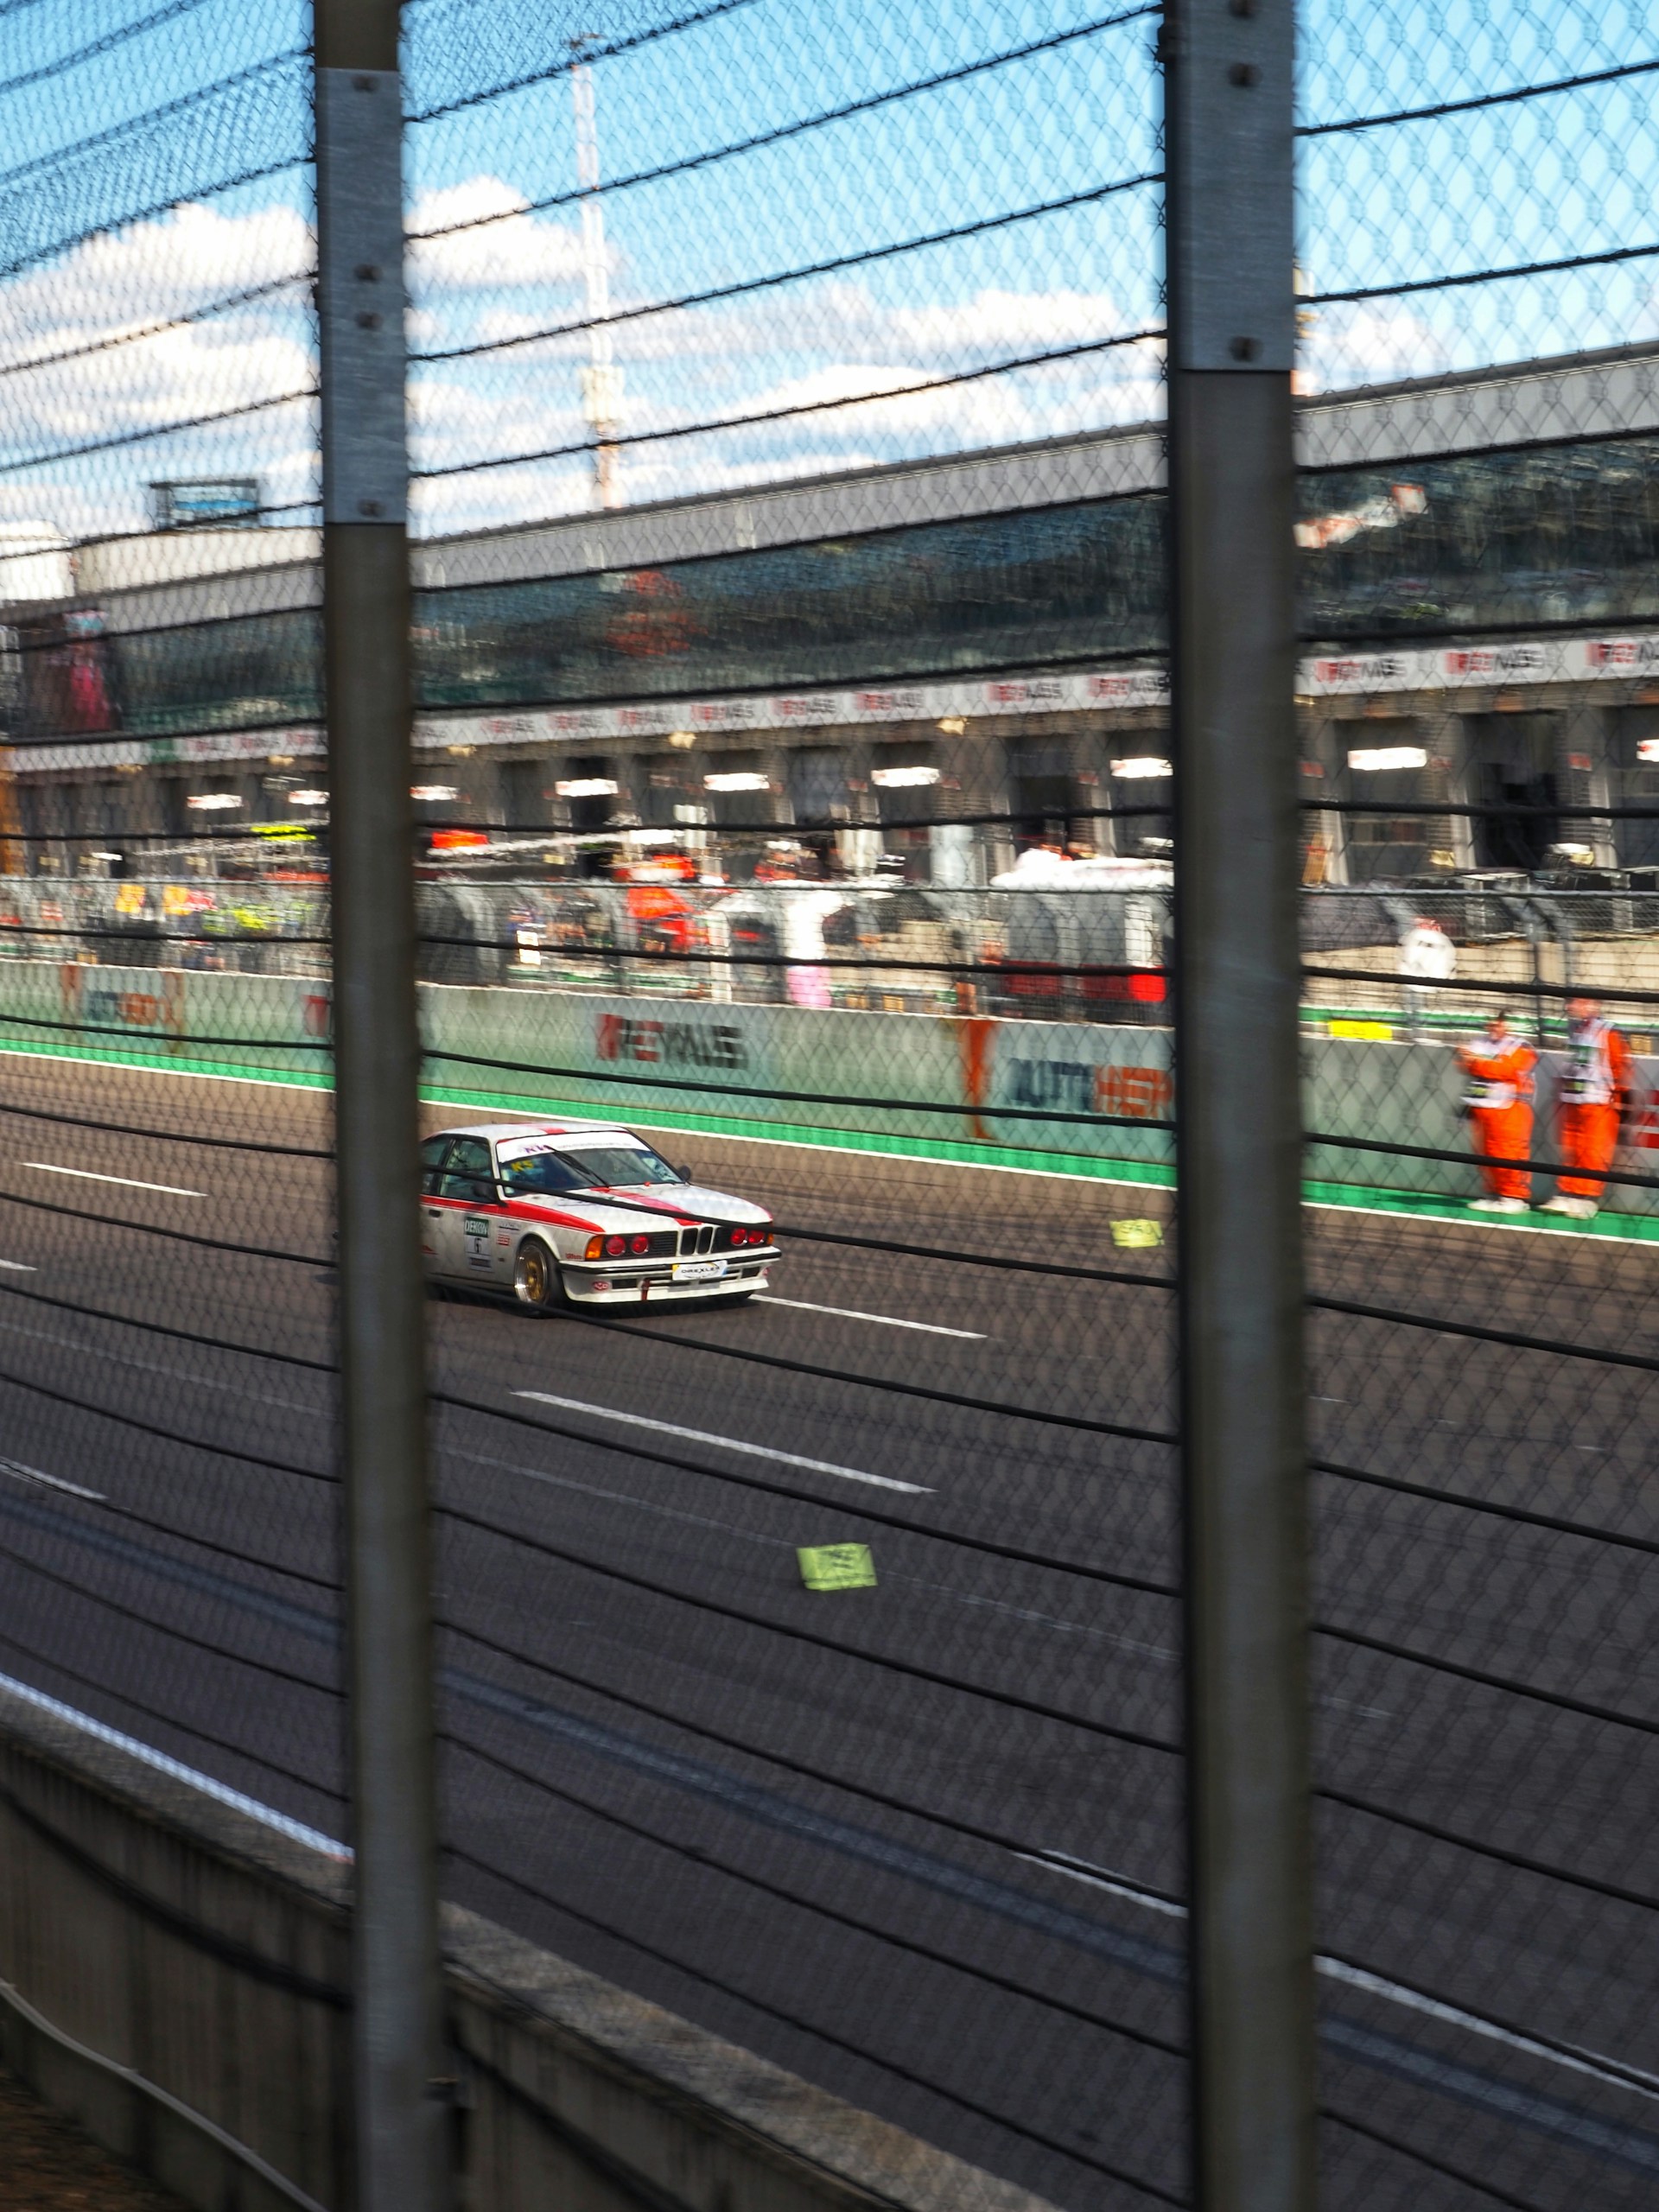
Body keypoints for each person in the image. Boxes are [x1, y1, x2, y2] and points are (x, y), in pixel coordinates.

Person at [1541, 995, 1634, 1220]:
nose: (1569, 1006)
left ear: (1592, 1005)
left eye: (1575, 1002)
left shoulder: (1608, 1031)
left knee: (1593, 1150)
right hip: (1574, 1098)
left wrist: (1619, 1095)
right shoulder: (1579, 1030)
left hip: (1598, 1100)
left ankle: (1587, 1198)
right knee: (1572, 1149)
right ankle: (1569, 1192)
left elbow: (1620, 1066)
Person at [1455, 1012, 1536, 1213]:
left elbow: (1506, 1070)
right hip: (1481, 1105)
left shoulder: (1521, 1046)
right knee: (1484, 1152)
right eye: (1491, 1023)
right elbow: (1461, 1062)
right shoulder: (1480, 1042)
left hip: (1510, 1107)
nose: (1493, 1027)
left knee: (1508, 1152)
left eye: (1498, 1023)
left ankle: (1514, 1197)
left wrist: (1476, 1061)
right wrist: (1482, 1062)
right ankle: (1494, 1193)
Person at [1398, 914, 1456, 1040]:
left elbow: (1448, 957)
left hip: (1432, 977)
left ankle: (1420, 1028)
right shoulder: (1415, 938)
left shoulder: (1438, 940)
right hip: (1417, 977)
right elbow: (1406, 956)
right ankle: (1416, 1031)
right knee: (1414, 1001)